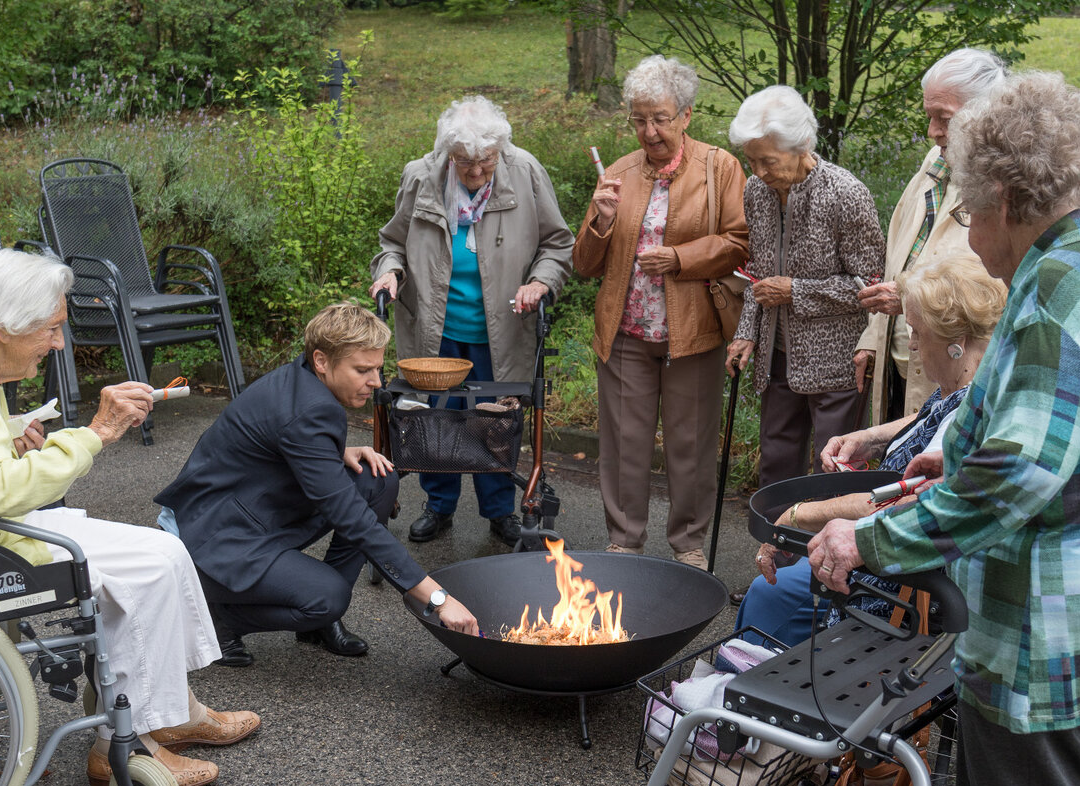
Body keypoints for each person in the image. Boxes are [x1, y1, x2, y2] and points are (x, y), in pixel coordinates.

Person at [809, 73, 1080, 786]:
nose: (964, 228)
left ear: (1005, 196)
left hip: (1047, 653)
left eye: (964, 208)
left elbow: (1013, 480)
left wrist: (868, 542)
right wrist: (953, 448)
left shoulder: (1055, 295)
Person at [0, 249, 259, 786]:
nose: (60, 343)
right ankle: (125, 741)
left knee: (165, 551)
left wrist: (13, 431)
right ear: (3, 325)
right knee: (151, 566)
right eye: (51, 329)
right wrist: (99, 432)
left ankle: (171, 710)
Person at [156, 302, 480, 668]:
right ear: (323, 360)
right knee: (327, 596)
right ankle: (219, 622)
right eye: (362, 370)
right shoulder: (309, 409)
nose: (375, 382)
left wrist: (336, 451)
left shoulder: (305, 379)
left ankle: (318, 625)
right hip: (210, 539)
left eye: (377, 368)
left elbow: (285, 437)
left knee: (377, 479)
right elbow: (350, 518)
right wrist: (436, 598)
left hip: (248, 509)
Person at [735, 255, 1004, 645]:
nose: (911, 345)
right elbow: (925, 416)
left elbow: (899, 504)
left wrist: (796, 515)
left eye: (917, 332)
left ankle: (745, 681)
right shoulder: (974, 386)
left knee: (767, 594)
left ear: (955, 342)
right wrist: (872, 437)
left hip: (899, 582)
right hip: (885, 560)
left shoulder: (966, 419)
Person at [370, 95, 574, 548]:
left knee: (495, 422)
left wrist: (540, 282)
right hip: (433, 328)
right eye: (465, 161)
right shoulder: (421, 176)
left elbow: (558, 244)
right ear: (448, 153)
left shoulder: (525, 172)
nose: (477, 170)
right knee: (434, 425)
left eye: (486, 160)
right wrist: (388, 269)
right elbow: (392, 242)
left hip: (502, 330)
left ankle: (500, 510)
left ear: (500, 149)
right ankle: (438, 506)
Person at [573, 55, 749, 569]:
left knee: (690, 444)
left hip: (692, 331)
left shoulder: (720, 168)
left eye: (661, 118)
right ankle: (624, 541)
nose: (650, 131)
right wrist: (602, 221)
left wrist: (679, 258)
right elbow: (585, 264)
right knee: (625, 443)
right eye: (639, 119)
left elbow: (740, 243)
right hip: (627, 332)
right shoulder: (620, 173)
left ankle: (688, 543)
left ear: (686, 115)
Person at [725, 85, 885, 489]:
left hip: (836, 363)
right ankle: (775, 547)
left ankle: (825, 551)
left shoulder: (845, 194)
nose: (759, 171)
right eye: (752, 160)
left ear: (802, 146)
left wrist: (796, 291)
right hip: (776, 355)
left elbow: (871, 287)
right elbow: (758, 274)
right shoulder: (756, 192)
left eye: (768, 161)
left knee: (831, 470)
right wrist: (746, 333)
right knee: (776, 463)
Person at [853, 48, 1006, 425]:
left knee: (931, 461)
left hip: (957, 370)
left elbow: (992, 291)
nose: (933, 131)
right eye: (930, 116)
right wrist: (874, 338)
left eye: (945, 119)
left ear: (986, 114)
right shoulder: (935, 161)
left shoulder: (1004, 185)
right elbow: (899, 252)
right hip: (904, 356)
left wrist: (908, 297)